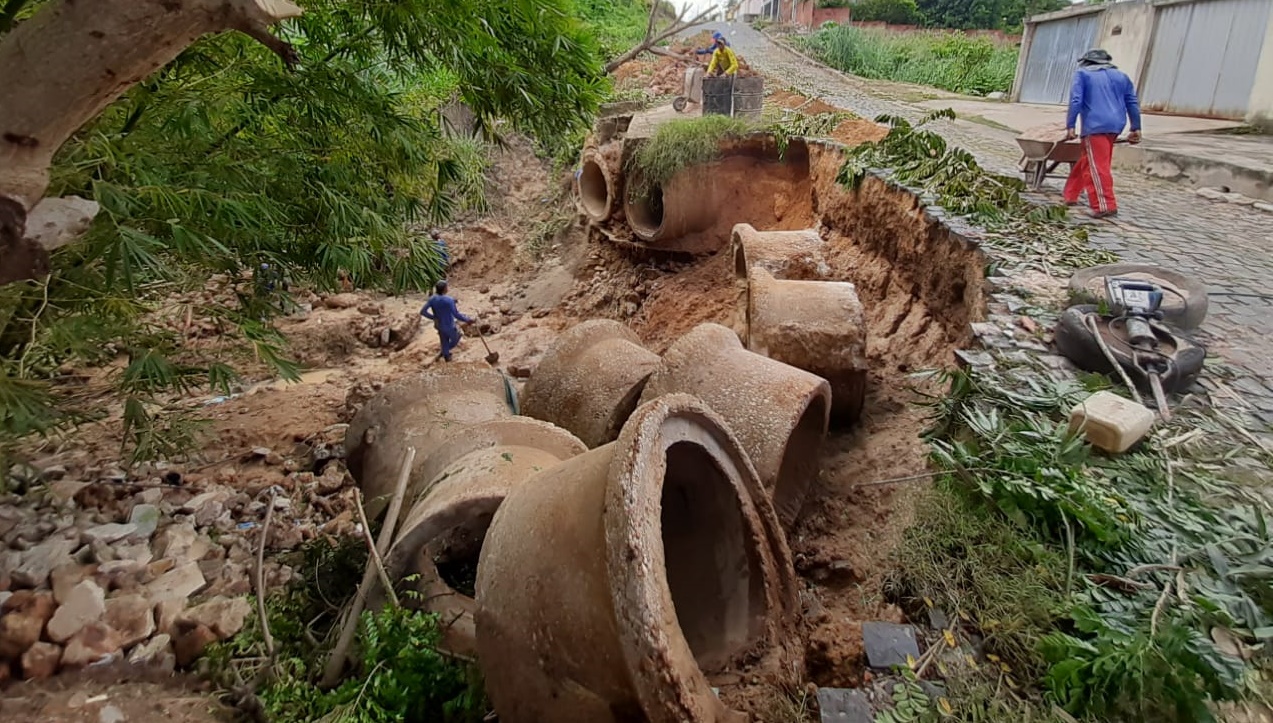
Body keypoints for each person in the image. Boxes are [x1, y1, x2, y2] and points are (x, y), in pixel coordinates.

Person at [1063, 49, 1142, 219]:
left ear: (1086, 62)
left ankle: (1104, 205)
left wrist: (1070, 125)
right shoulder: (1122, 76)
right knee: (1088, 160)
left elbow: (1076, 100)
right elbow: (1132, 102)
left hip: (1095, 125)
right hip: (1115, 125)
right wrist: (1136, 127)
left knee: (1097, 167)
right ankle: (1070, 194)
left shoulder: (1082, 74)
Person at [420, 280, 473, 362]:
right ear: (444, 289)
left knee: (444, 340)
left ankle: (446, 355)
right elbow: (456, 314)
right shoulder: (449, 300)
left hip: (439, 325)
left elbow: (423, 311)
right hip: (449, 324)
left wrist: (433, 317)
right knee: (457, 337)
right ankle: (445, 351)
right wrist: (467, 320)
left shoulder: (432, 299)